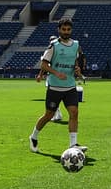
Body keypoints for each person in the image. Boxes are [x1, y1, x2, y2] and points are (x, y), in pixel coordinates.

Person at [29, 17, 87, 154]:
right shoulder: (53, 46)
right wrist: (56, 73)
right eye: (63, 29)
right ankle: (33, 136)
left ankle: (73, 144)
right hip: (55, 87)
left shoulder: (76, 45)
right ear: (59, 30)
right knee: (49, 115)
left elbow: (76, 61)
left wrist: (77, 70)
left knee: (74, 113)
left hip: (70, 86)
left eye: (68, 29)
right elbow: (43, 64)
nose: (66, 32)